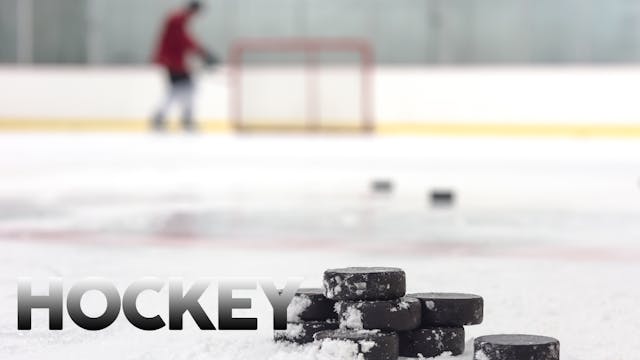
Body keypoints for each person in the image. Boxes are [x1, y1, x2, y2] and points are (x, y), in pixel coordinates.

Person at [152, 1, 216, 132]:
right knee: (180, 89)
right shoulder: (177, 18)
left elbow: (184, 39)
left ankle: (180, 118)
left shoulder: (179, 18)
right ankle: (170, 117)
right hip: (172, 61)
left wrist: (201, 53)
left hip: (175, 60)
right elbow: (182, 39)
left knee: (186, 88)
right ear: (194, 10)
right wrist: (202, 52)